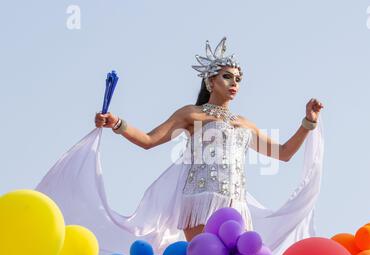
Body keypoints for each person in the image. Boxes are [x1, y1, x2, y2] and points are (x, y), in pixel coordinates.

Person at [94, 37, 324, 243]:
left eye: (238, 79)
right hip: (200, 201)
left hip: (236, 204)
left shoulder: (244, 123)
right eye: (227, 77)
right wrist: (116, 123)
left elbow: (283, 153)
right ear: (210, 82)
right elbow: (148, 140)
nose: (234, 83)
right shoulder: (191, 114)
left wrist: (308, 122)